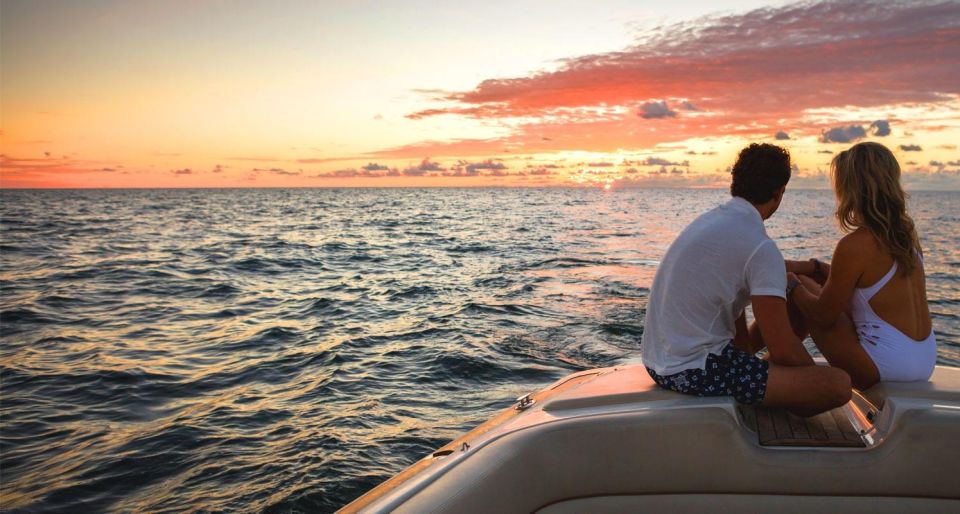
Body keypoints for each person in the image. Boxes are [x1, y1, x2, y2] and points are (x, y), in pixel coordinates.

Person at [641, 143, 851, 417]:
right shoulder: (759, 245)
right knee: (837, 385)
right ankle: (768, 390)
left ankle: (763, 380)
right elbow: (783, 348)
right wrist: (809, 382)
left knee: (788, 313)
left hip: (659, 360)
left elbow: (755, 266)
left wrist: (807, 267)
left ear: (736, 183)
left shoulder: (714, 221)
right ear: (779, 192)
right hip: (695, 370)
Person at [788, 142, 936, 389]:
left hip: (885, 366)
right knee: (815, 286)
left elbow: (823, 317)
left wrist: (792, 283)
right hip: (925, 360)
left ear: (851, 188)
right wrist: (820, 270)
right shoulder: (907, 235)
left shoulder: (855, 245)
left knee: (803, 287)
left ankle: (780, 368)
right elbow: (871, 286)